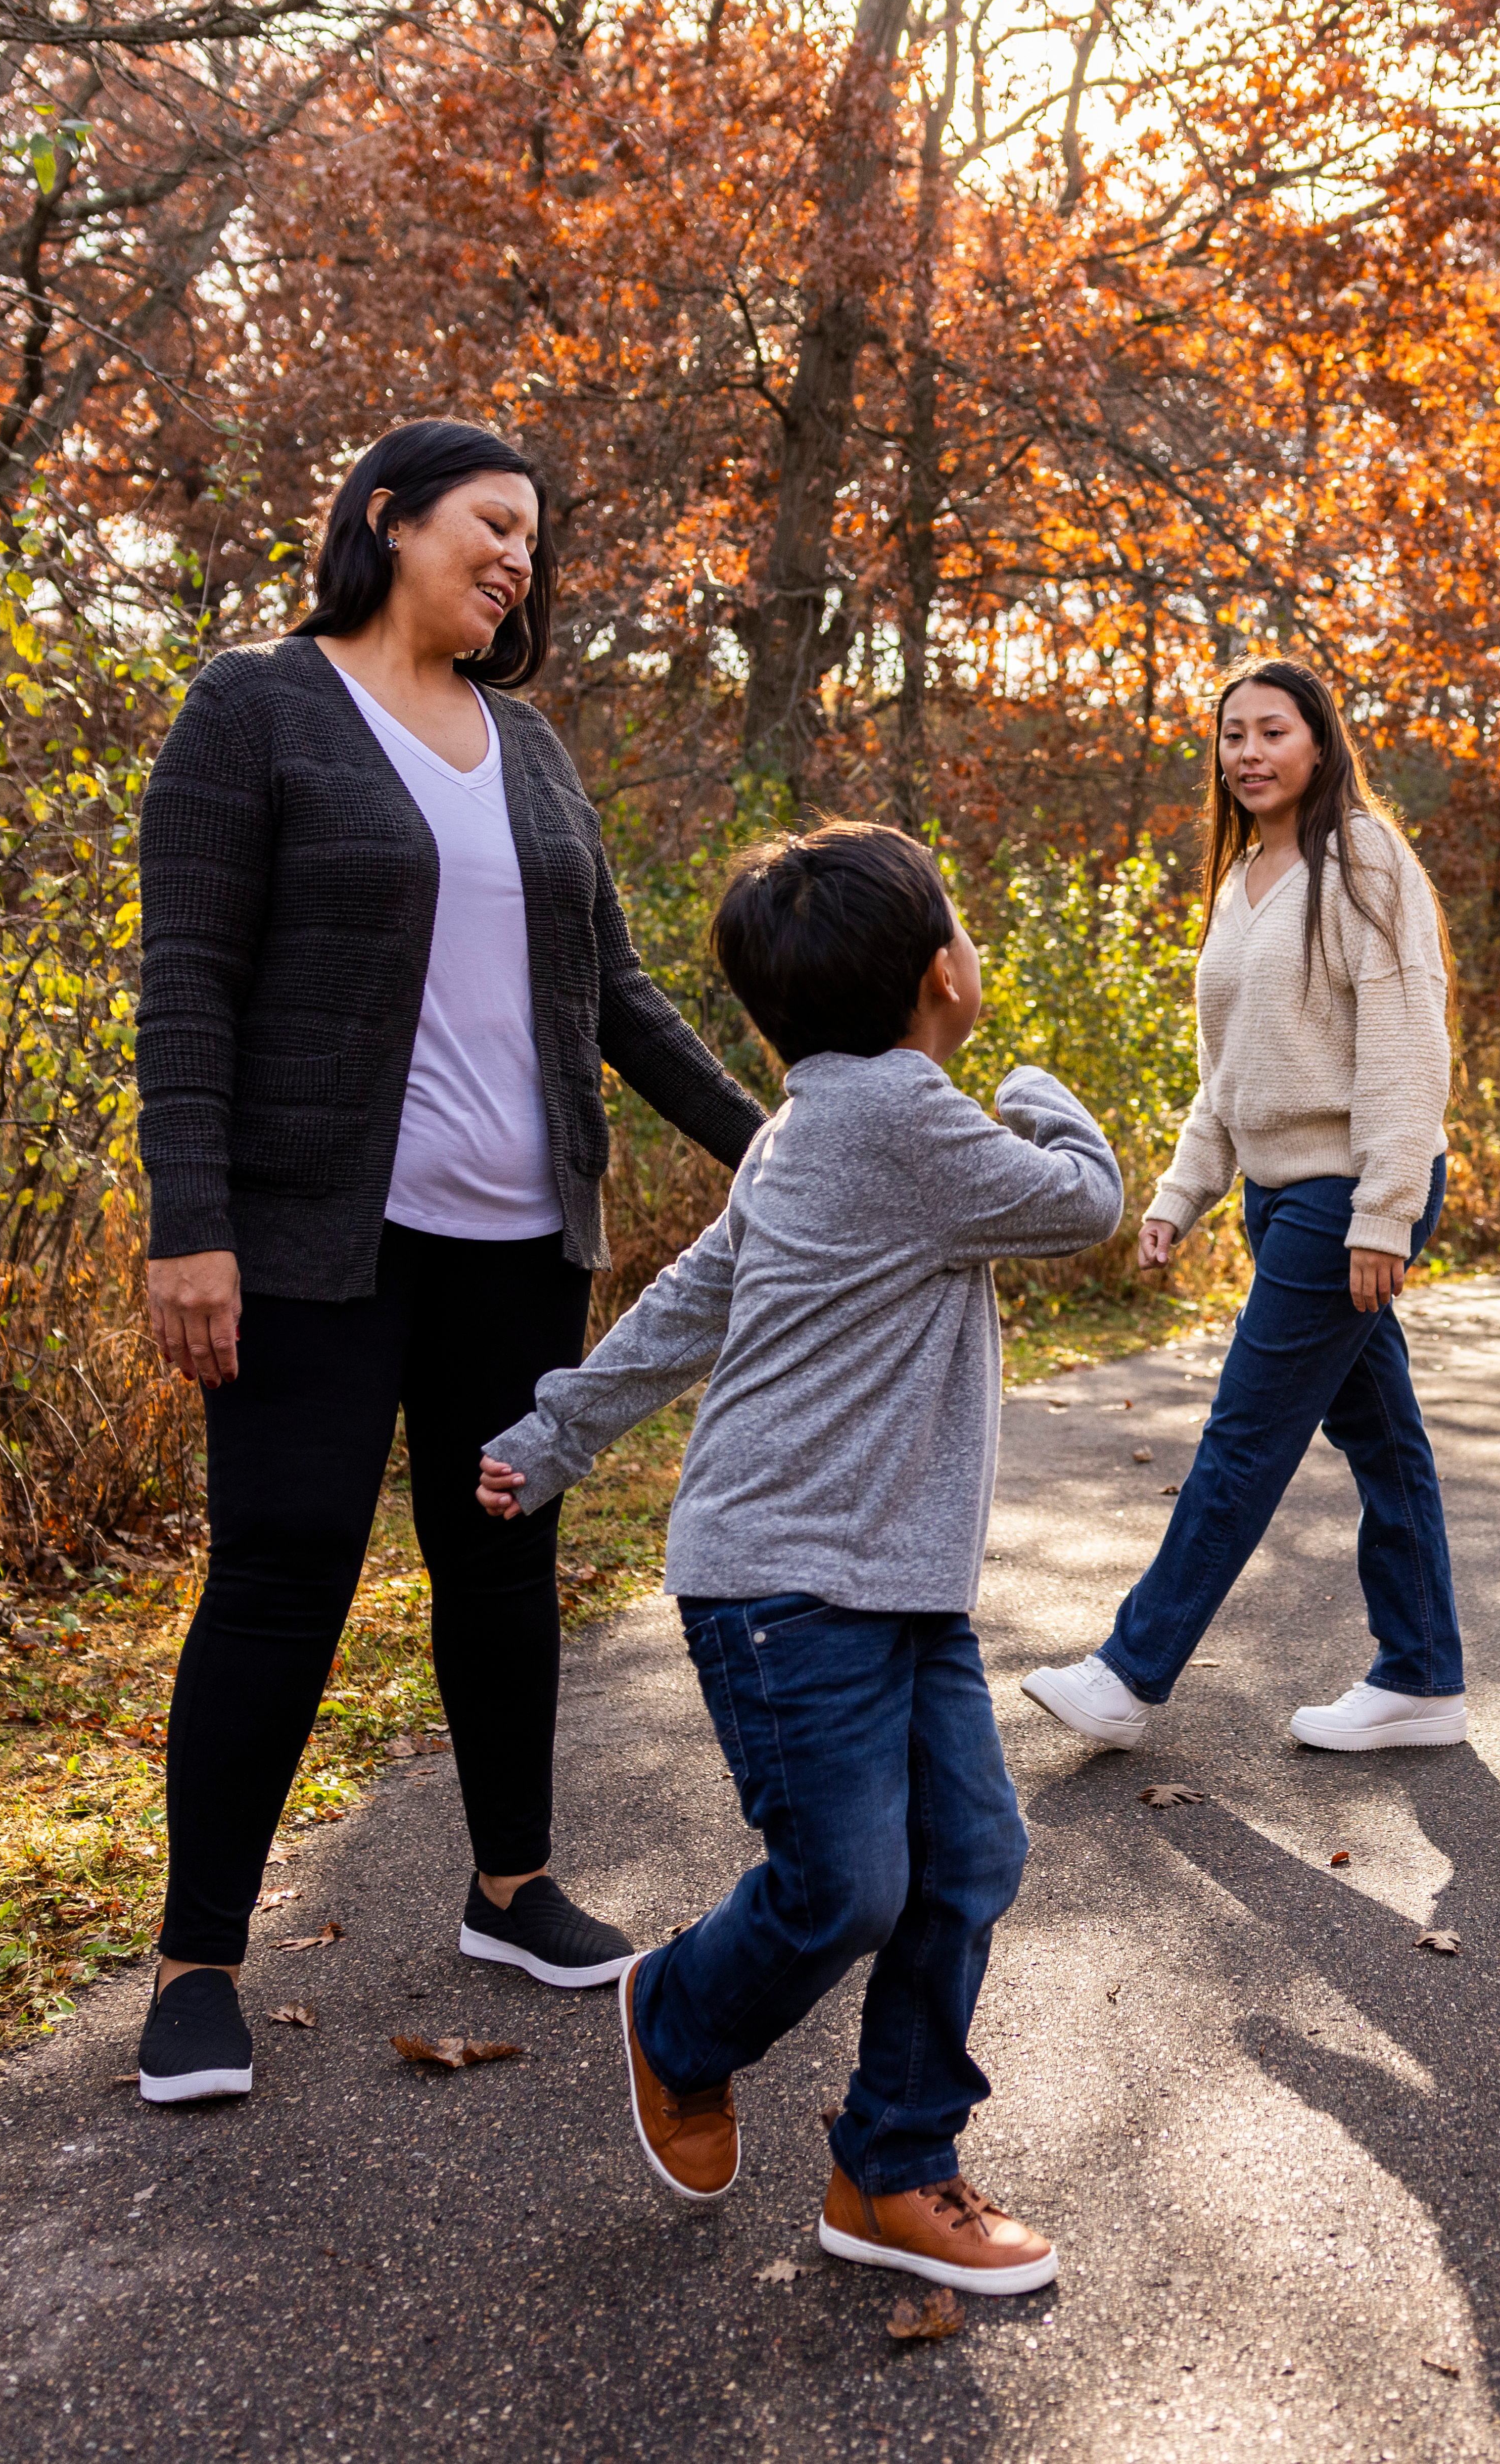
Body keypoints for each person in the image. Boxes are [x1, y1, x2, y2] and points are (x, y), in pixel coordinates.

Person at [127, 419, 770, 2107]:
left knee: (502, 1560)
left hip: (516, 1240)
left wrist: (774, 1138)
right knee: (282, 1572)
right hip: (313, 1243)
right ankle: (199, 1963)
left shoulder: (531, 745)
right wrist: (186, 1226)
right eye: (493, 526)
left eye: (534, 545)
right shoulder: (255, 711)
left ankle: (511, 1885)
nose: (519, 561)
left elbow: (615, 994)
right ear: (386, 519)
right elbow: (186, 985)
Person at [474, 821, 1121, 2295]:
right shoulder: (908, 1117)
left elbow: (697, 1295)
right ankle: (677, 2022)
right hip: (787, 1581)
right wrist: (1047, 1098)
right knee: (848, 1886)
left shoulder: (809, 1124)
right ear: (941, 972)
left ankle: (892, 2168)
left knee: (969, 1858)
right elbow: (1084, 1204)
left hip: (887, 1581)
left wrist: (562, 1426)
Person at [1018, 659, 1465, 1755]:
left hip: (1345, 1196)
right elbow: (1231, 1073)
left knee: (1243, 1436)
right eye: (1232, 737)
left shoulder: (1361, 857)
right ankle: (1421, 1676)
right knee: (1383, 1441)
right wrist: (1183, 1192)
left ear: (1319, 742)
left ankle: (1131, 1672)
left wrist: (1384, 1210)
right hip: (1281, 1199)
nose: (1250, 753)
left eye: (1272, 731)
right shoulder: (1241, 877)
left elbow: (1409, 1044)